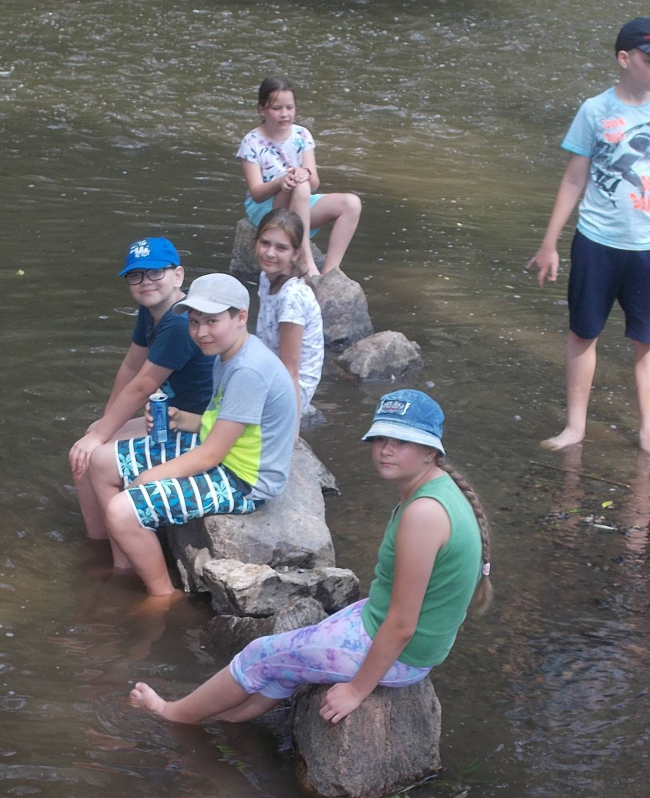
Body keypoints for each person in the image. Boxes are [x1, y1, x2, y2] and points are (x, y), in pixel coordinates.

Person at [129, 390, 492, 724]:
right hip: (402, 635)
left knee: (259, 653)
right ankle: (231, 717)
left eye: (401, 441)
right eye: (381, 438)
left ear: (430, 450)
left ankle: (172, 714)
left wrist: (356, 690)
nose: (385, 449)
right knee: (292, 653)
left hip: (404, 656)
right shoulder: (438, 490)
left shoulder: (424, 514)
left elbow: (402, 625)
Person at [86, 274, 297, 597]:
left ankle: (163, 596)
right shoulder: (227, 353)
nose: (200, 332)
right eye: (195, 321)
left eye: (212, 321)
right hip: (224, 453)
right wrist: (184, 419)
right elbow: (228, 423)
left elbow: (211, 455)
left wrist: (151, 476)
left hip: (244, 479)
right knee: (101, 460)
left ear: (241, 317)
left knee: (121, 510)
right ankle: (124, 564)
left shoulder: (248, 370)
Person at [527, 18, 650, 452]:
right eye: (648, 59)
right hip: (597, 241)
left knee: (647, 341)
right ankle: (575, 427)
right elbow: (573, 179)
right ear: (624, 58)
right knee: (583, 332)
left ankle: (648, 431)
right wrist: (550, 243)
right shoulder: (595, 111)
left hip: (647, 248)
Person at [69, 237, 214, 540]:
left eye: (155, 272)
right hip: (171, 418)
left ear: (178, 275)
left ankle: (114, 548)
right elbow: (131, 366)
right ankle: (101, 539)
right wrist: (103, 427)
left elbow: (143, 386)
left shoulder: (178, 322)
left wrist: (100, 437)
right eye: (136, 275)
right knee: (92, 437)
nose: (145, 281)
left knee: (94, 454)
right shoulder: (151, 310)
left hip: (196, 426)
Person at [237, 75, 361, 279]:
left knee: (351, 204)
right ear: (262, 109)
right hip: (266, 207)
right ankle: (304, 259)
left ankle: (331, 271)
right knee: (300, 186)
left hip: (300, 201)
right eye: (277, 108)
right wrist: (281, 181)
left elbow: (314, 183)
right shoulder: (251, 142)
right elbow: (257, 193)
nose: (284, 114)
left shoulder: (302, 135)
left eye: (290, 107)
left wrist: (305, 174)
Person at [254, 208, 324, 417]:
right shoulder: (266, 278)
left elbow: (290, 369)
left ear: (295, 253)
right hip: (270, 369)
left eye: (281, 247)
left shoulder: (291, 297)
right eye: (265, 243)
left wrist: (290, 426)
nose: (270, 253)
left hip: (289, 389)